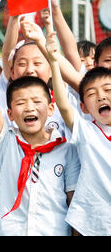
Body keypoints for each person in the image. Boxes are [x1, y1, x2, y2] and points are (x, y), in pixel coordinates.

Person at [0, 27, 80, 236]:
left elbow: (72, 199)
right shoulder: (7, 142)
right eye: (21, 103)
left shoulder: (66, 150)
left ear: (51, 108)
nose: (30, 108)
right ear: (10, 114)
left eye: (36, 102)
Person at [45, 29, 111, 236]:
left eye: (108, 90)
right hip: (89, 222)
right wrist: (54, 63)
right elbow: (63, 105)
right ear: (83, 107)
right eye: (91, 94)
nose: (101, 97)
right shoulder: (86, 130)